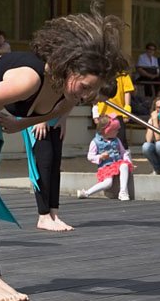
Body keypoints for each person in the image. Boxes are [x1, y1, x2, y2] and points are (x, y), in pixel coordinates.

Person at [0, 7, 128, 301]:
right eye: (86, 86)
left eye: (93, 90)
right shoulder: (28, 79)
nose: (87, 95)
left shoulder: (68, 90)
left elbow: (54, 112)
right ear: (71, 69)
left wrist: (20, 123)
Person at [22, 80, 117, 232]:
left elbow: (69, 102)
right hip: (37, 119)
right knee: (43, 167)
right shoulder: (75, 82)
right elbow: (44, 94)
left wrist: (64, 118)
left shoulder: (81, 92)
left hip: (54, 121)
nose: (98, 102)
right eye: (99, 98)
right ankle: (43, 215)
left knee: (55, 167)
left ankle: (53, 214)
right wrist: (40, 118)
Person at [78, 114, 133, 201]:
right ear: (106, 130)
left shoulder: (116, 140)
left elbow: (123, 152)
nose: (117, 132)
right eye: (115, 130)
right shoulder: (95, 142)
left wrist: (128, 161)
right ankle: (87, 192)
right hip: (106, 166)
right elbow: (90, 156)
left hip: (117, 162)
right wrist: (100, 156)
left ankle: (123, 192)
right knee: (108, 183)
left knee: (124, 165)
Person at [93, 72, 134, 149]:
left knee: (120, 140)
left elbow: (127, 92)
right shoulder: (101, 71)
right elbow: (95, 91)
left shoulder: (123, 74)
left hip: (118, 112)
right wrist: (95, 112)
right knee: (101, 139)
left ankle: (124, 159)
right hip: (102, 113)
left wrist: (127, 110)